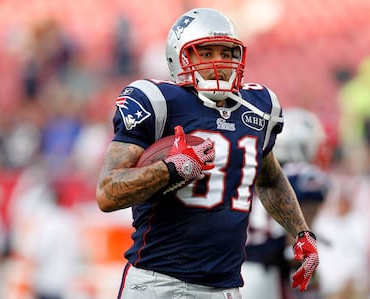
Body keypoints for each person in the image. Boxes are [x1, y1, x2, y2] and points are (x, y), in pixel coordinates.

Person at [96, 8, 319, 299]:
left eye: (227, 54)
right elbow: (108, 192)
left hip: (225, 288)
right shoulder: (159, 103)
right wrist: (172, 168)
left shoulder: (258, 108)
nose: (219, 63)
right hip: (158, 283)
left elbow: (270, 180)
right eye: (206, 53)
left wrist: (302, 233)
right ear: (181, 57)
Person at [241, 108, 330, 299]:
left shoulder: (251, 170)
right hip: (265, 274)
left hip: (230, 271)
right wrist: (314, 283)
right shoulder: (303, 176)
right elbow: (298, 247)